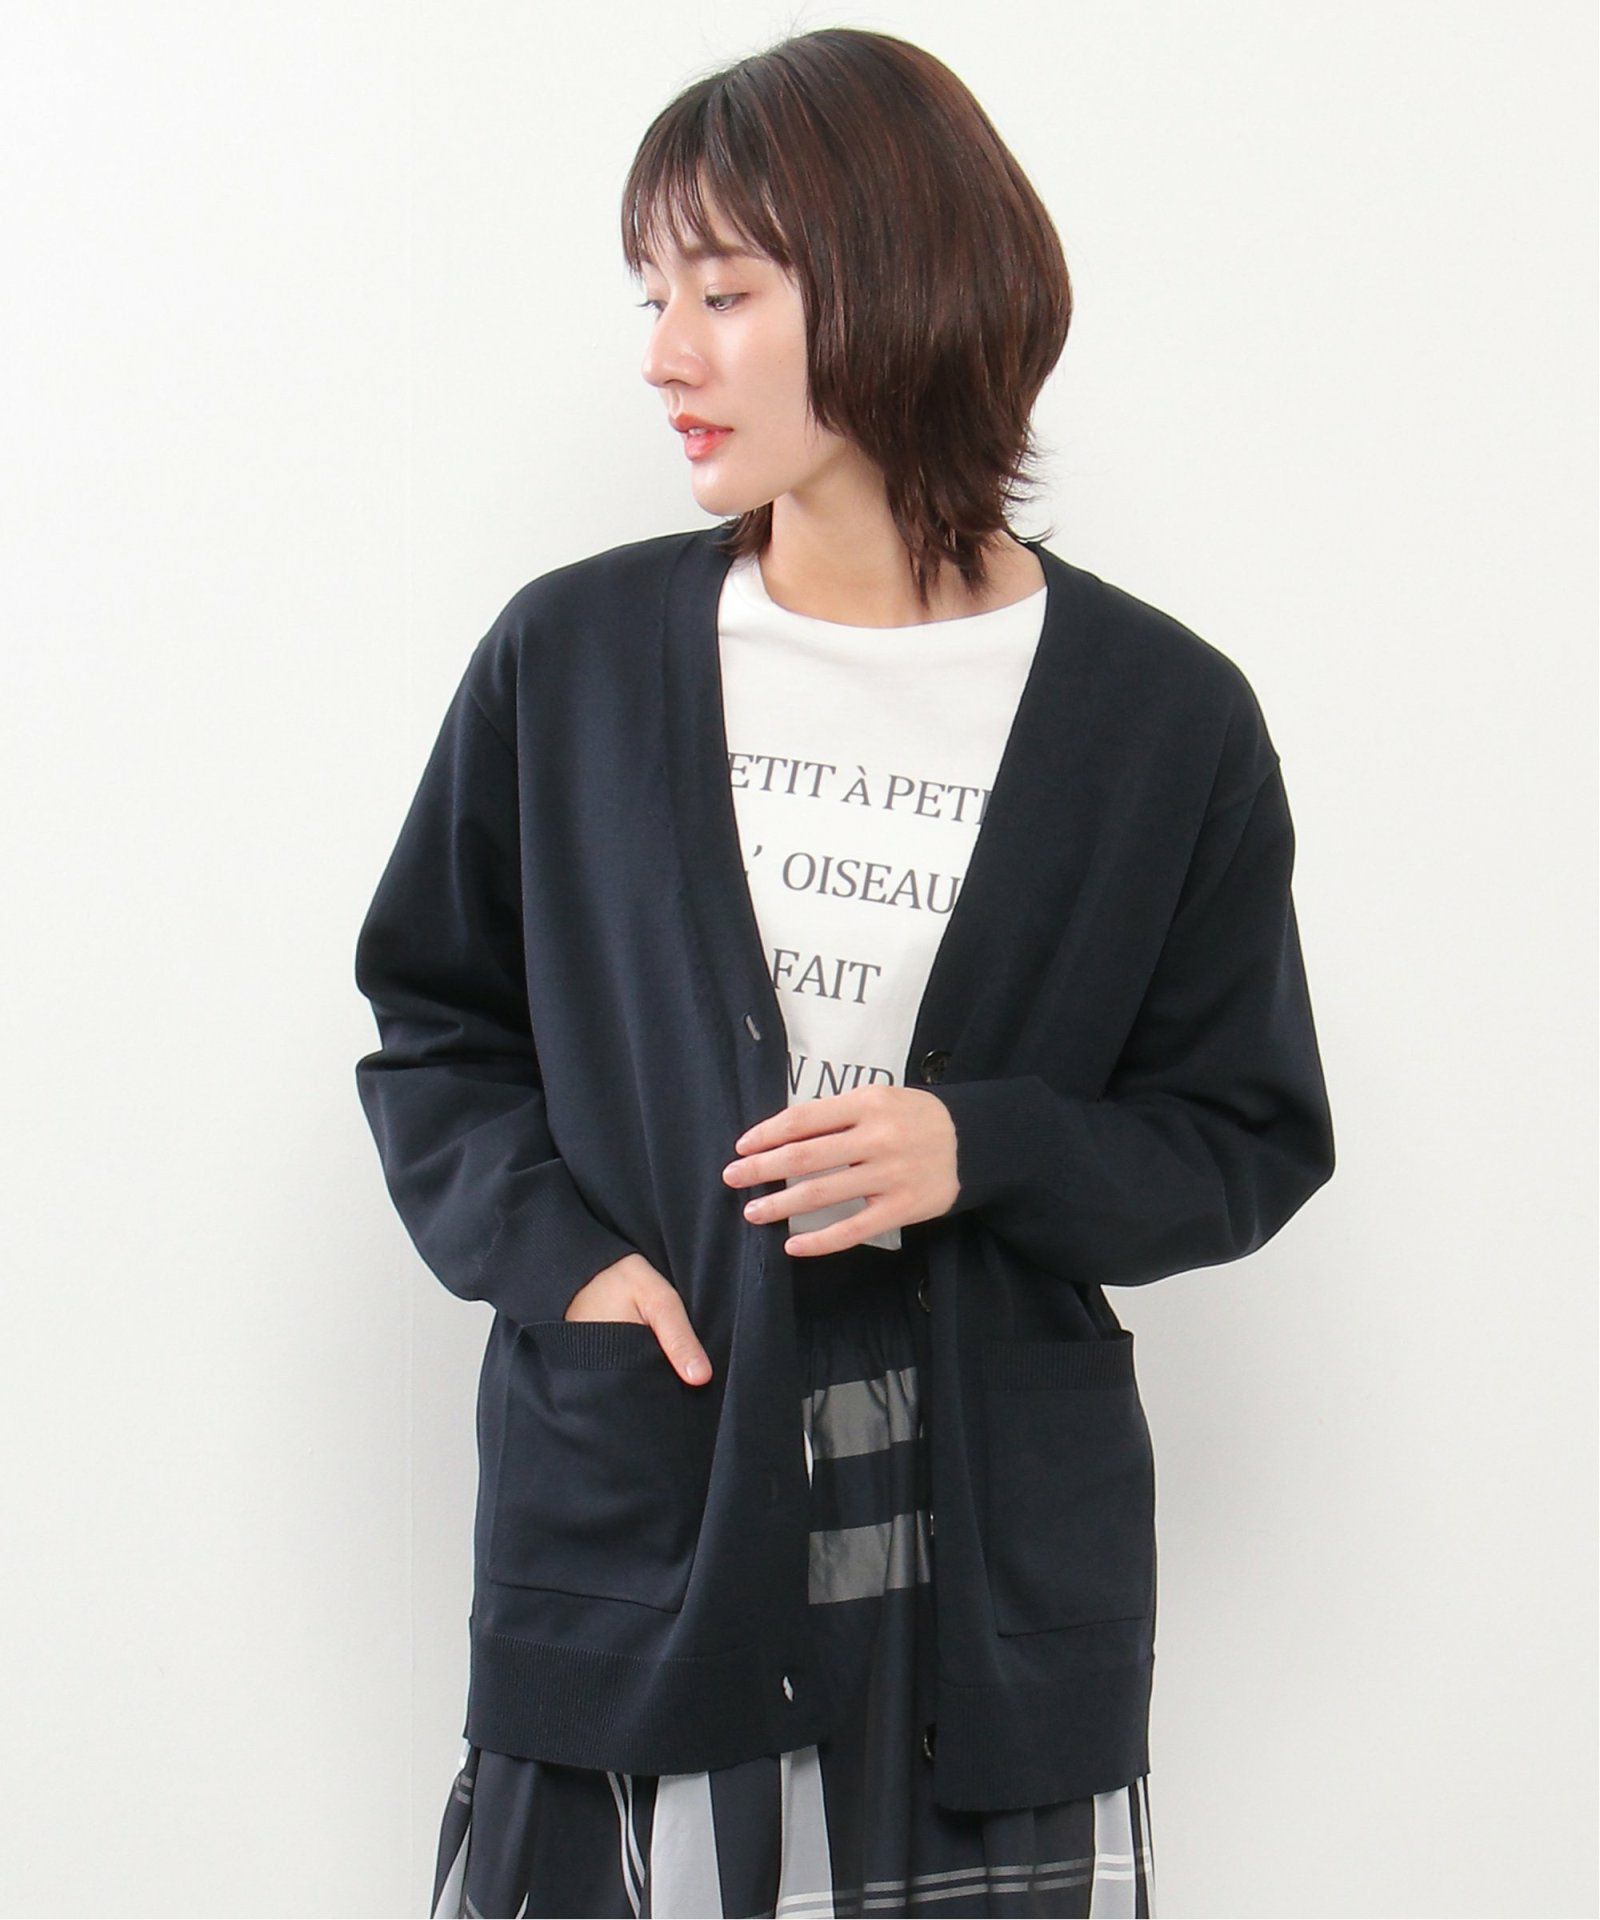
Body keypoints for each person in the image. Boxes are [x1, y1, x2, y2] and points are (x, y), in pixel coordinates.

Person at [354, 26, 1334, 1919]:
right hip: (648, 1520)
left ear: (896, 286)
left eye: (723, 292)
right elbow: (436, 1032)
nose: (665, 354)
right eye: (654, 295)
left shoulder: (1162, 721)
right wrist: (571, 1269)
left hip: (984, 1582)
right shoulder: (571, 665)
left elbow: (1243, 1135)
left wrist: (984, 1149)